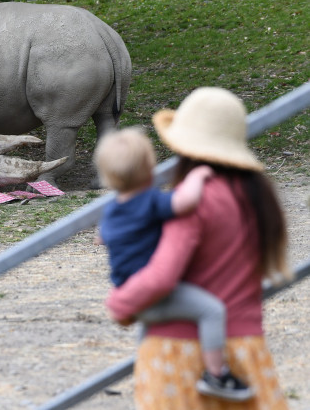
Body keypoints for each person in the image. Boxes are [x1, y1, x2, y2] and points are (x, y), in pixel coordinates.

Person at [106, 87, 291, 409]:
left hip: (181, 354)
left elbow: (163, 275)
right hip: (246, 348)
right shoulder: (256, 198)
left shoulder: (193, 202)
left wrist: (122, 304)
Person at [94, 127, 253, 402]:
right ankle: (217, 375)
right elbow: (185, 201)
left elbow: (101, 238)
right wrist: (198, 175)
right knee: (211, 310)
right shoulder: (150, 201)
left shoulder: (112, 211)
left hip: (130, 292)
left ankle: (147, 376)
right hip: (153, 291)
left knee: (149, 328)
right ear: (149, 168)